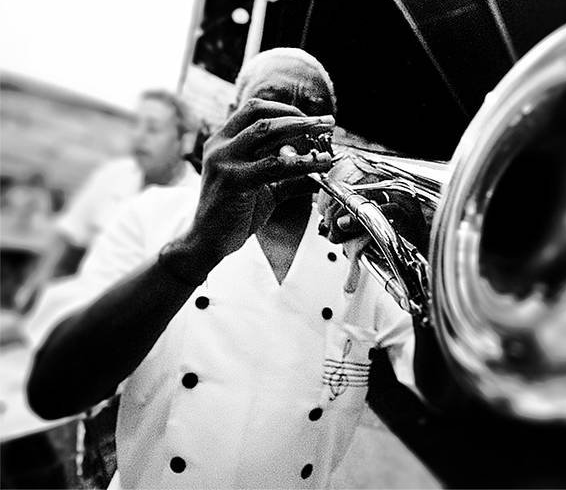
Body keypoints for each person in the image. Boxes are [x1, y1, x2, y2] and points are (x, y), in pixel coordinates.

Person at [26, 47, 459, 489]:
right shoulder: (156, 215)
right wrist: (197, 248)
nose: (290, 123)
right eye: (270, 104)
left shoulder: (361, 245)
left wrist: (420, 266)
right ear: (232, 118)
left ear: (329, 135)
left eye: (312, 113)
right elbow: (53, 391)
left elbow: (443, 393)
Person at [13, 90, 200, 313]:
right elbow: (68, 233)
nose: (139, 136)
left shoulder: (194, 203)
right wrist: (34, 286)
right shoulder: (114, 174)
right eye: (136, 125)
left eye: (152, 129)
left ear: (186, 141)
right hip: (78, 305)